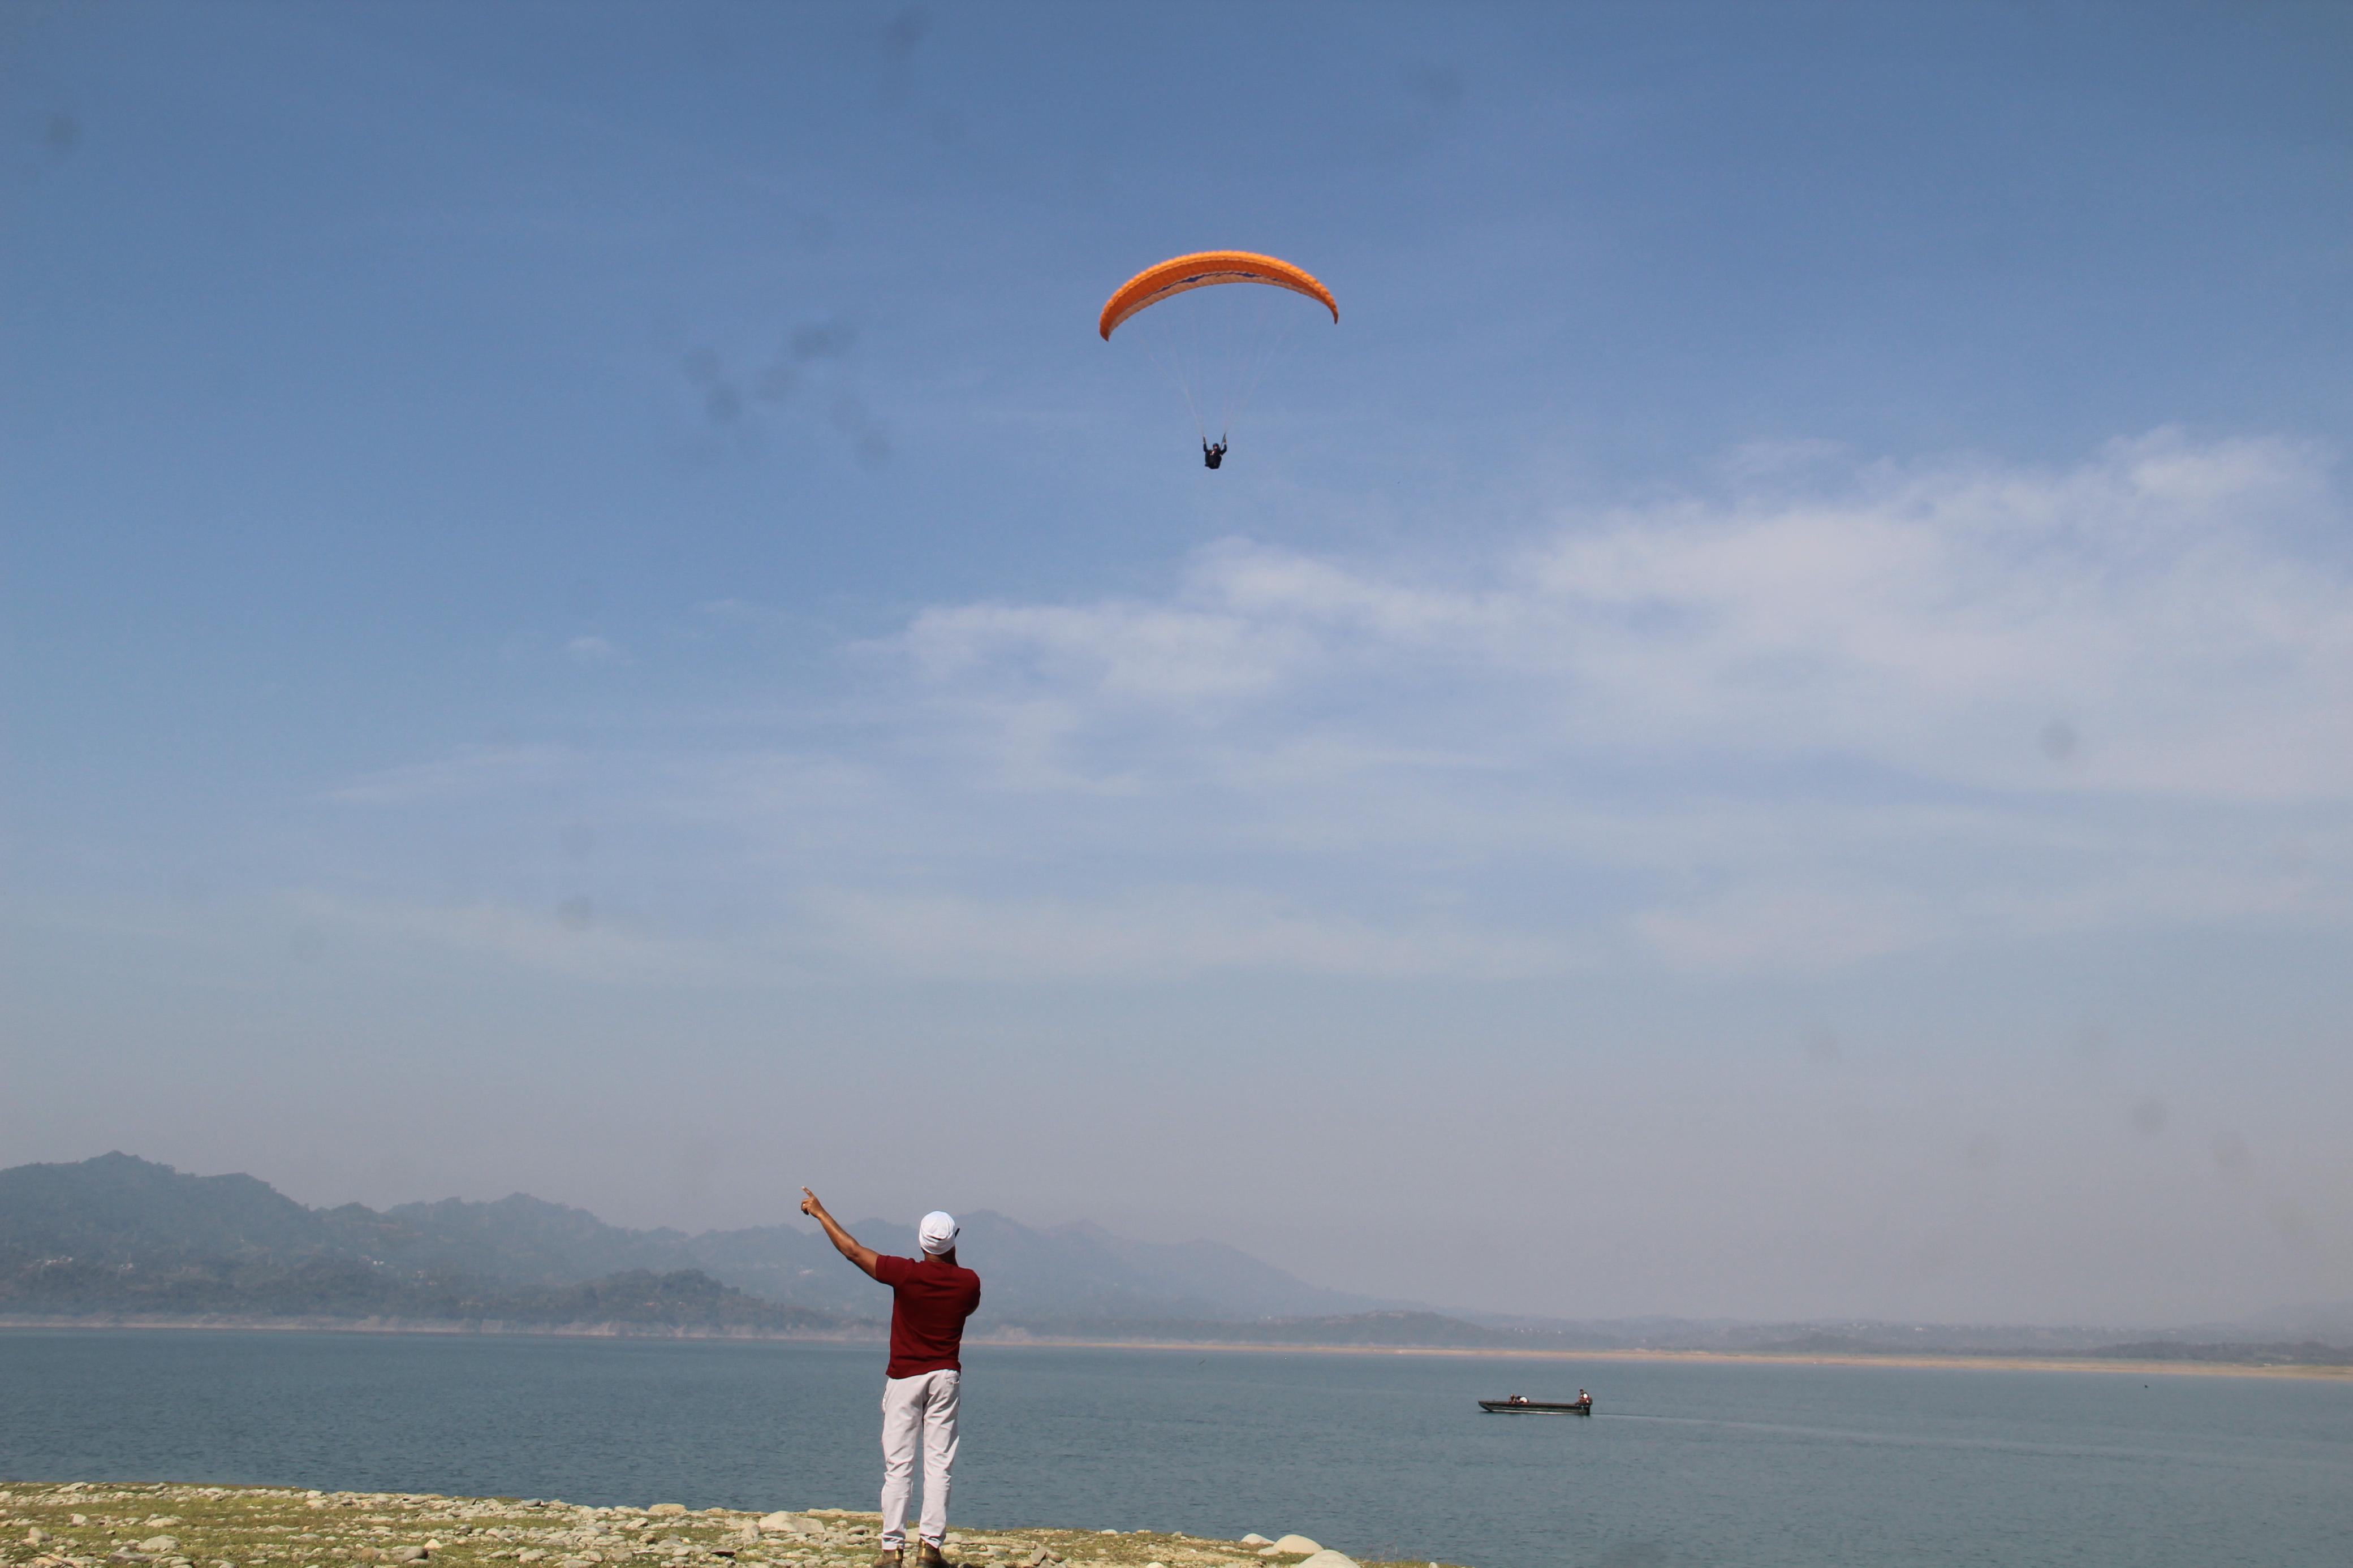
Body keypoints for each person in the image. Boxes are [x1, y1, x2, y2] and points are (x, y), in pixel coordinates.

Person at [801, 1189, 982, 1568]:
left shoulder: (906, 1273)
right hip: (945, 1378)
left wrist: (820, 1212)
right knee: (938, 1464)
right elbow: (962, 1294)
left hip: (904, 1378)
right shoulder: (969, 1283)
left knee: (899, 1465)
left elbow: (852, 1250)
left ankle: (891, 1551)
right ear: (953, 1241)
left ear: (921, 1241)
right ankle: (930, 1548)